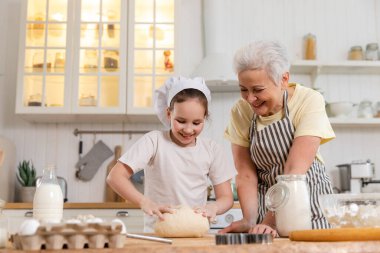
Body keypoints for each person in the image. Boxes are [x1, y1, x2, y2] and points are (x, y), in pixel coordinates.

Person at [220, 41, 335, 236]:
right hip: (266, 209)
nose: (250, 99)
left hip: (308, 205)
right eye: (243, 89)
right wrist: (250, 221)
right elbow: (246, 173)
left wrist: (270, 222)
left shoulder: (308, 100)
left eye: (257, 90)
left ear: (283, 79)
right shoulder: (241, 111)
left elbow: (294, 172)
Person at [107, 76, 237, 232]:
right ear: (169, 114)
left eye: (196, 123)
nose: (188, 130)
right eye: (181, 121)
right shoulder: (154, 141)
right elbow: (115, 177)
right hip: (158, 232)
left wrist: (214, 207)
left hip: (195, 233)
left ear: (205, 118)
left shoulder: (211, 149)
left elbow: (226, 198)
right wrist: (144, 202)